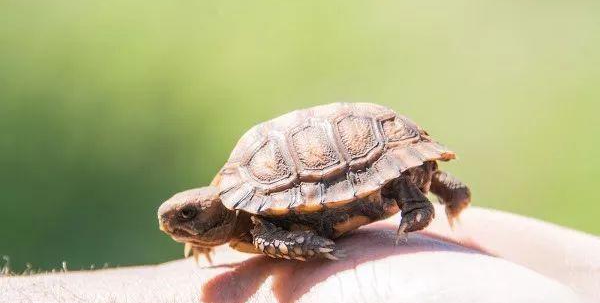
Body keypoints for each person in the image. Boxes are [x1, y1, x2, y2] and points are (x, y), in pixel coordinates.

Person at [2, 205, 599, 303]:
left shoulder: (257, 223)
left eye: (187, 217)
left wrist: (305, 247)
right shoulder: (225, 229)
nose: (174, 225)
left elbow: (272, 232)